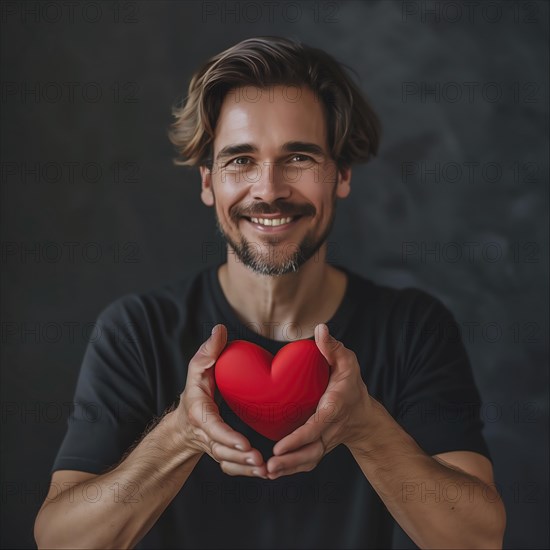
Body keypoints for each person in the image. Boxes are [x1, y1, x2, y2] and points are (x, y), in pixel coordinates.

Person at [34, 36, 506, 549]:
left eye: (298, 157)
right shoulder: (136, 330)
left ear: (341, 174)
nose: (269, 189)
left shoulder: (414, 328)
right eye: (240, 160)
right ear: (208, 182)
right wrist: (180, 434)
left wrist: (366, 427)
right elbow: (60, 540)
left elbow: (477, 539)